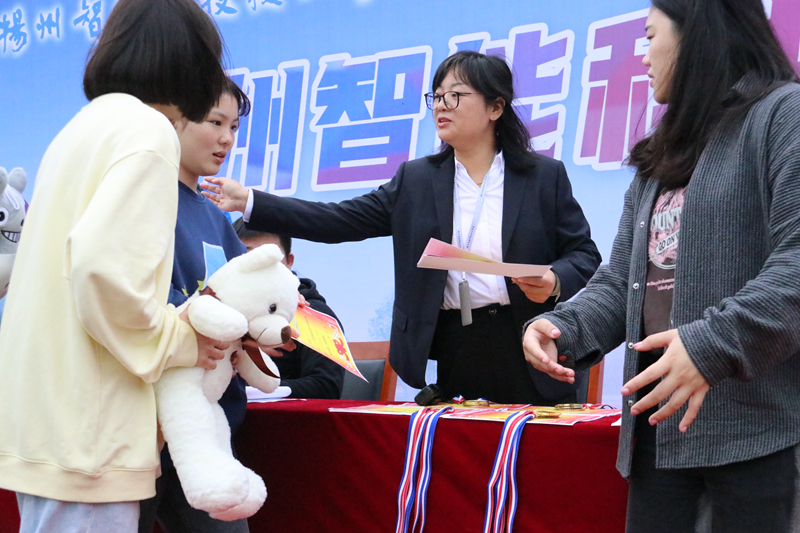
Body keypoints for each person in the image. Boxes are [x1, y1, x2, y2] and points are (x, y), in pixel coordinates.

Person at [522, 1, 800, 531]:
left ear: (697, 34)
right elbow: (621, 281)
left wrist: (709, 343)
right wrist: (563, 326)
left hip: (760, 436)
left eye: (651, 37)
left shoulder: (784, 115)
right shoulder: (663, 152)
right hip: (657, 436)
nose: (644, 57)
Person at [202, 51, 601, 405]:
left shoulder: (542, 177)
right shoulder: (417, 180)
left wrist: (554, 279)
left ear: (495, 108)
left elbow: (584, 253)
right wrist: (251, 200)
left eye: (455, 96)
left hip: (529, 338)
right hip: (456, 343)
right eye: (436, 96)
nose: (441, 106)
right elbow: (338, 219)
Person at [0, 1, 232, 532]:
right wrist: (181, 340)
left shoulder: (82, 128)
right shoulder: (148, 133)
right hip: (90, 428)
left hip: (49, 419)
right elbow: (104, 273)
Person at [138, 79, 254, 533]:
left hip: (207, 426)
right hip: (145, 421)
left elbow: (245, 294)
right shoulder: (144, 198)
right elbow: (134, 301)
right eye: (215, 122)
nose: (227, 138)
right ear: (175, 120)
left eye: (234, 126)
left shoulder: (215, 216)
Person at [233, 219, 346, 399]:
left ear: (289, 262)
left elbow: (326, 387)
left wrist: (250, 389)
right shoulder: (217, 308)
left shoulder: (313, 314)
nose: (259, 268)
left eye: (270, 260)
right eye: (248, 257)